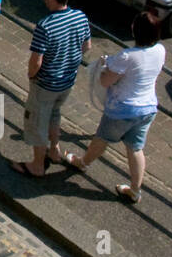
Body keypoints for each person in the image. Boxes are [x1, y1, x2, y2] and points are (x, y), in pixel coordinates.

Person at [62, 11, 165, 203]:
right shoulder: (160, 50)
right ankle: (135, 190)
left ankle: (82, 163)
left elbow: (105, 81)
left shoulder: (126, 56)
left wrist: (104, 68)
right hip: (148, 108)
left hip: (122, 110)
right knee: (135, 148)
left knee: (101, 139)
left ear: (136, 31)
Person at [10, 0, 92, 179]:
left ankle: (37, 165)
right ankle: (54, 151)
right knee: (54, 115)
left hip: (45, 84)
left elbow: (36, 61)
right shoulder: (80, 16)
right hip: (66, 82)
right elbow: (87, 47)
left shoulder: (45, 26)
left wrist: (31, 75)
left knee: (37, 121)